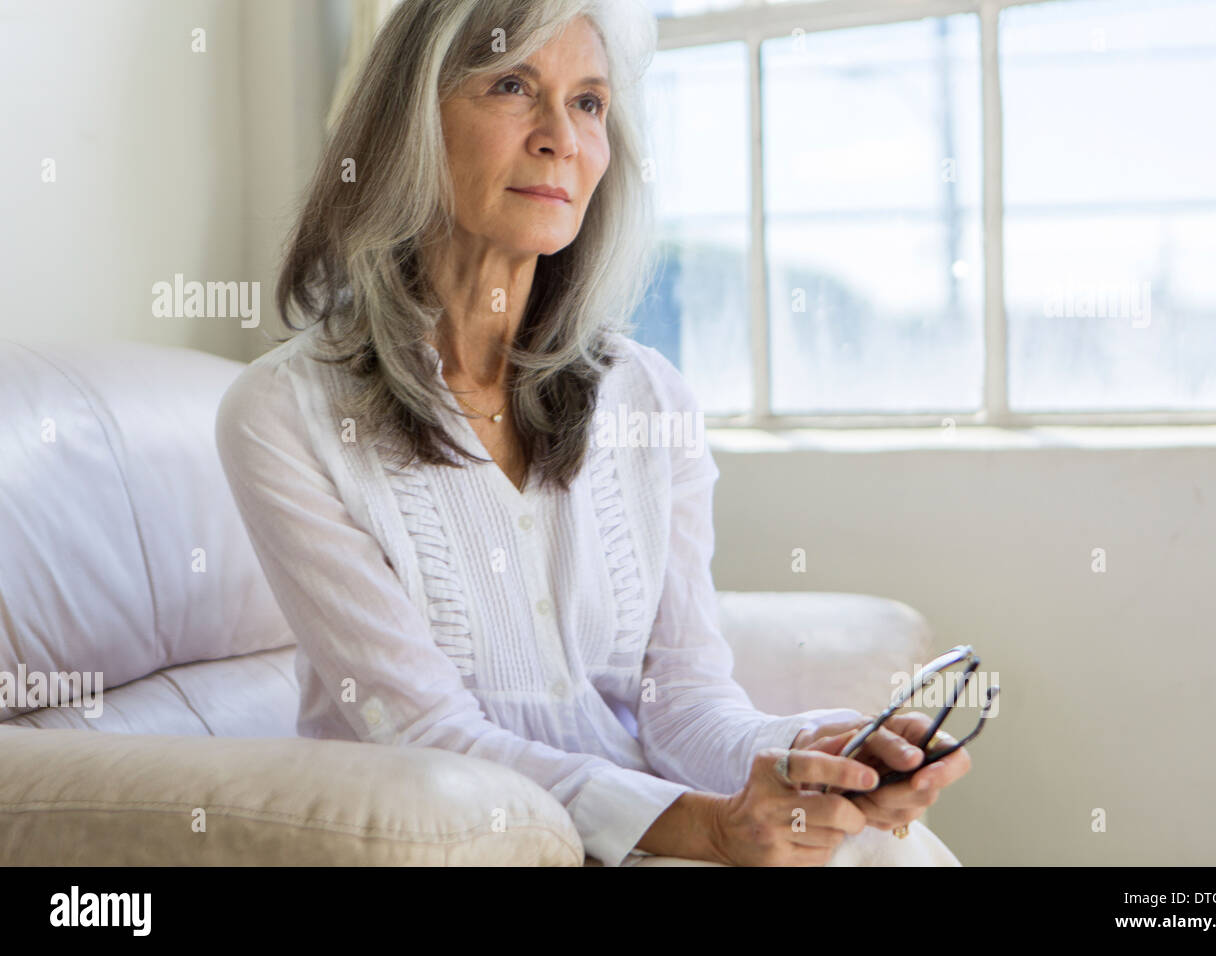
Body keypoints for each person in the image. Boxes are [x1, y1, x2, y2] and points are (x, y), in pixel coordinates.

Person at [215, 0, 968, 867]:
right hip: (457, 843)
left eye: (588, 102)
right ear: (407, 126)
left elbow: (683, 702)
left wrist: (812, 758)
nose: (561, 139)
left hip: (646, 830)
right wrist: (704, 827)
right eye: (511, 86)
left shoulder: (649, 395)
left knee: (894, 854)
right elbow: (422, 733)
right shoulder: (282, 415)